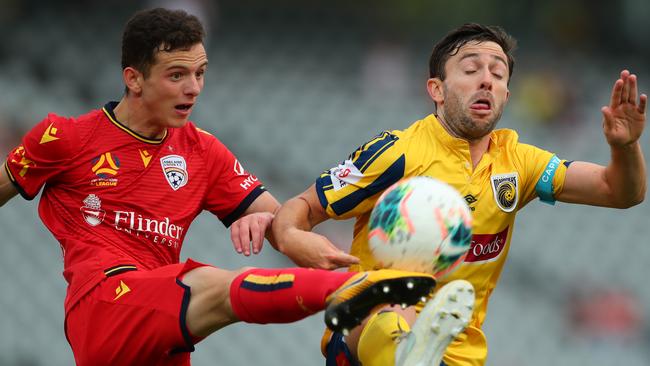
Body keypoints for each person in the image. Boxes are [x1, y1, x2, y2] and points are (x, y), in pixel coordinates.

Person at [0, 8, 441, 366]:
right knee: (210, 283)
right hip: (103, 306)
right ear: (133, 78)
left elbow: (281, 224)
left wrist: (275, 223)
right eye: (177, 75)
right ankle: (355, 292)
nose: (193, 88)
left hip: (162, 332)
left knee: (202, 287)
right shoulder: (66, 138)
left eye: (201, 73)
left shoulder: (203, 152)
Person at [272, 23, 647, 366]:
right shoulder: (397, 153)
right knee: (392, 315)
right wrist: (292, 237)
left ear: (506, 94)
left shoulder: (520, 163)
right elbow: (301, 207)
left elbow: (618, 191)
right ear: (436, 89)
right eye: (471, 70)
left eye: (498, 74)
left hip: (460, 355)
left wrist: (626, 147)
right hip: (365, 337)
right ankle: (406, 353)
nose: (486, 80)